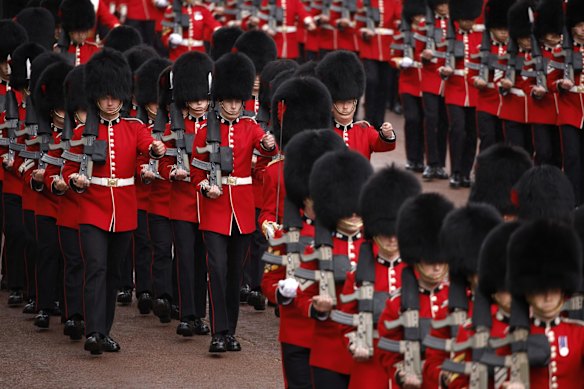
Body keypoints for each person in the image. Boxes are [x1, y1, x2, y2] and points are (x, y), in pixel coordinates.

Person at [62, 48, 166, 355]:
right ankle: (93, 332)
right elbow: (68, 168)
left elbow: (148, 146)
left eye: (115, 96)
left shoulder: (134, 127)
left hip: (123, 209)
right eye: (105, 96)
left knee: (113, 274)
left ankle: (104, 330)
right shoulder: (83, 132)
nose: (110, 102)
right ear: (96, 97)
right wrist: (74, 180)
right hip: (92, 207)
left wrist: (156, 152)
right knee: (95, 267)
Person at [190, 52, 277, 353]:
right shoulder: (204, 130)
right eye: (227, 101)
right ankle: (218, 331)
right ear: (220, 100)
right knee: (217, 268)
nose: (232, 106)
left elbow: (265, 150)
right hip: (214, 210)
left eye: (236, 101)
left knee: (234, 274)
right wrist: (205, 187)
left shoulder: (250, 127)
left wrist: (268, 144)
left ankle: (231, 332)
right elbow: (196, 170)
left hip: (241, 209)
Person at [260, 129, 346, 389]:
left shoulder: (348, 232)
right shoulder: (287, 234)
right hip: (297, 331)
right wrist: (282, 292)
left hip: (334, 333)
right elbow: (269, 281)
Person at [294, 149, 373, 389]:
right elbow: (301, 294)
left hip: (366, 350)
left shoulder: (373, 248)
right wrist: (315, 307)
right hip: (328, 347)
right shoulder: (317, 248)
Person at [340, 165, 422, 389]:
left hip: (406, 363)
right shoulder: (358, 274)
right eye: (385, 234)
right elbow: (346, 321)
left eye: (395, 233)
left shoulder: (416, 271)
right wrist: (355, 342)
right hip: (369, 364)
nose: (391, 240)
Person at [158, 51, 213, 337]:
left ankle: (199, 315)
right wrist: (172, 173)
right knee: (184, 258)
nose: (200, 104)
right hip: (181, 203)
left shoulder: (215, 127)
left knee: (201, 261)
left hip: (208, 203)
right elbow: (164, 162)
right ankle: (185, 312)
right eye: (195, 100)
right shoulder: (173, 127)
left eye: (203, 98)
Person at [505, 219, 584, 389]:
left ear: (563, 290)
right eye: (540, 290)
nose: (548, 297)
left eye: (554, 289)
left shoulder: (579, 334)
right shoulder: (510, 337)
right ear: (527, 292)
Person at [315, 50, 397, 160]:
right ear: (331, 106)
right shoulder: (324, 132)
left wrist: (387, 135)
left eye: (349, 102)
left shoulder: (364, 130)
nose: (345, 107)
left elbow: (382, 145)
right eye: (340, 103)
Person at [440, 0, 483, 188]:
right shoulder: (450, 35)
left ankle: (466, 172)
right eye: (465, 20)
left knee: (472, 133)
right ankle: (455, 171)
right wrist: (444, 71)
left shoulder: (482, 37)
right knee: (457, 129)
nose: (469, 23)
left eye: (471, 19)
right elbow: (439, 59)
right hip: (455, 89)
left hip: (474, 92)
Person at [56, 0, 101, 66]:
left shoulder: (94, 50)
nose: (81, 35)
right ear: (70, 31)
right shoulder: (58, 50)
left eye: (84, 31)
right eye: (77, 31)